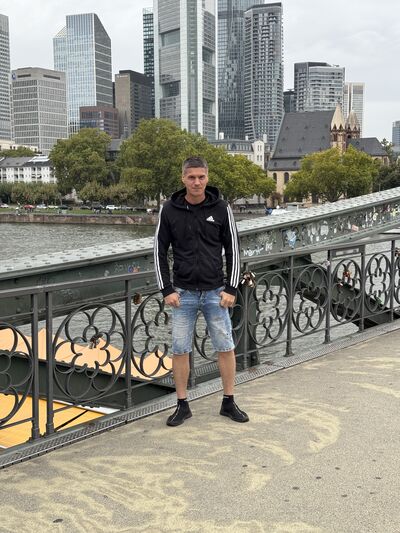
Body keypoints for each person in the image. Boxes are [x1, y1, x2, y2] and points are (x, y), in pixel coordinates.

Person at [154, 156, 249, 427]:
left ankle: (229, 401)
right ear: (183, 178)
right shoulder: (168, 210)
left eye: (201, 177)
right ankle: (182, 405)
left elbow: (233, 249)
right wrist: (166, 289)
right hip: (182, 293)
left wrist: (231, 288)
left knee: (225, 347)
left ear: (207, 178)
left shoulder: (222, 208)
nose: (197, 182)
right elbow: (159, 251)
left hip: (215, 292)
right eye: (191, 177)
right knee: (180, 349)